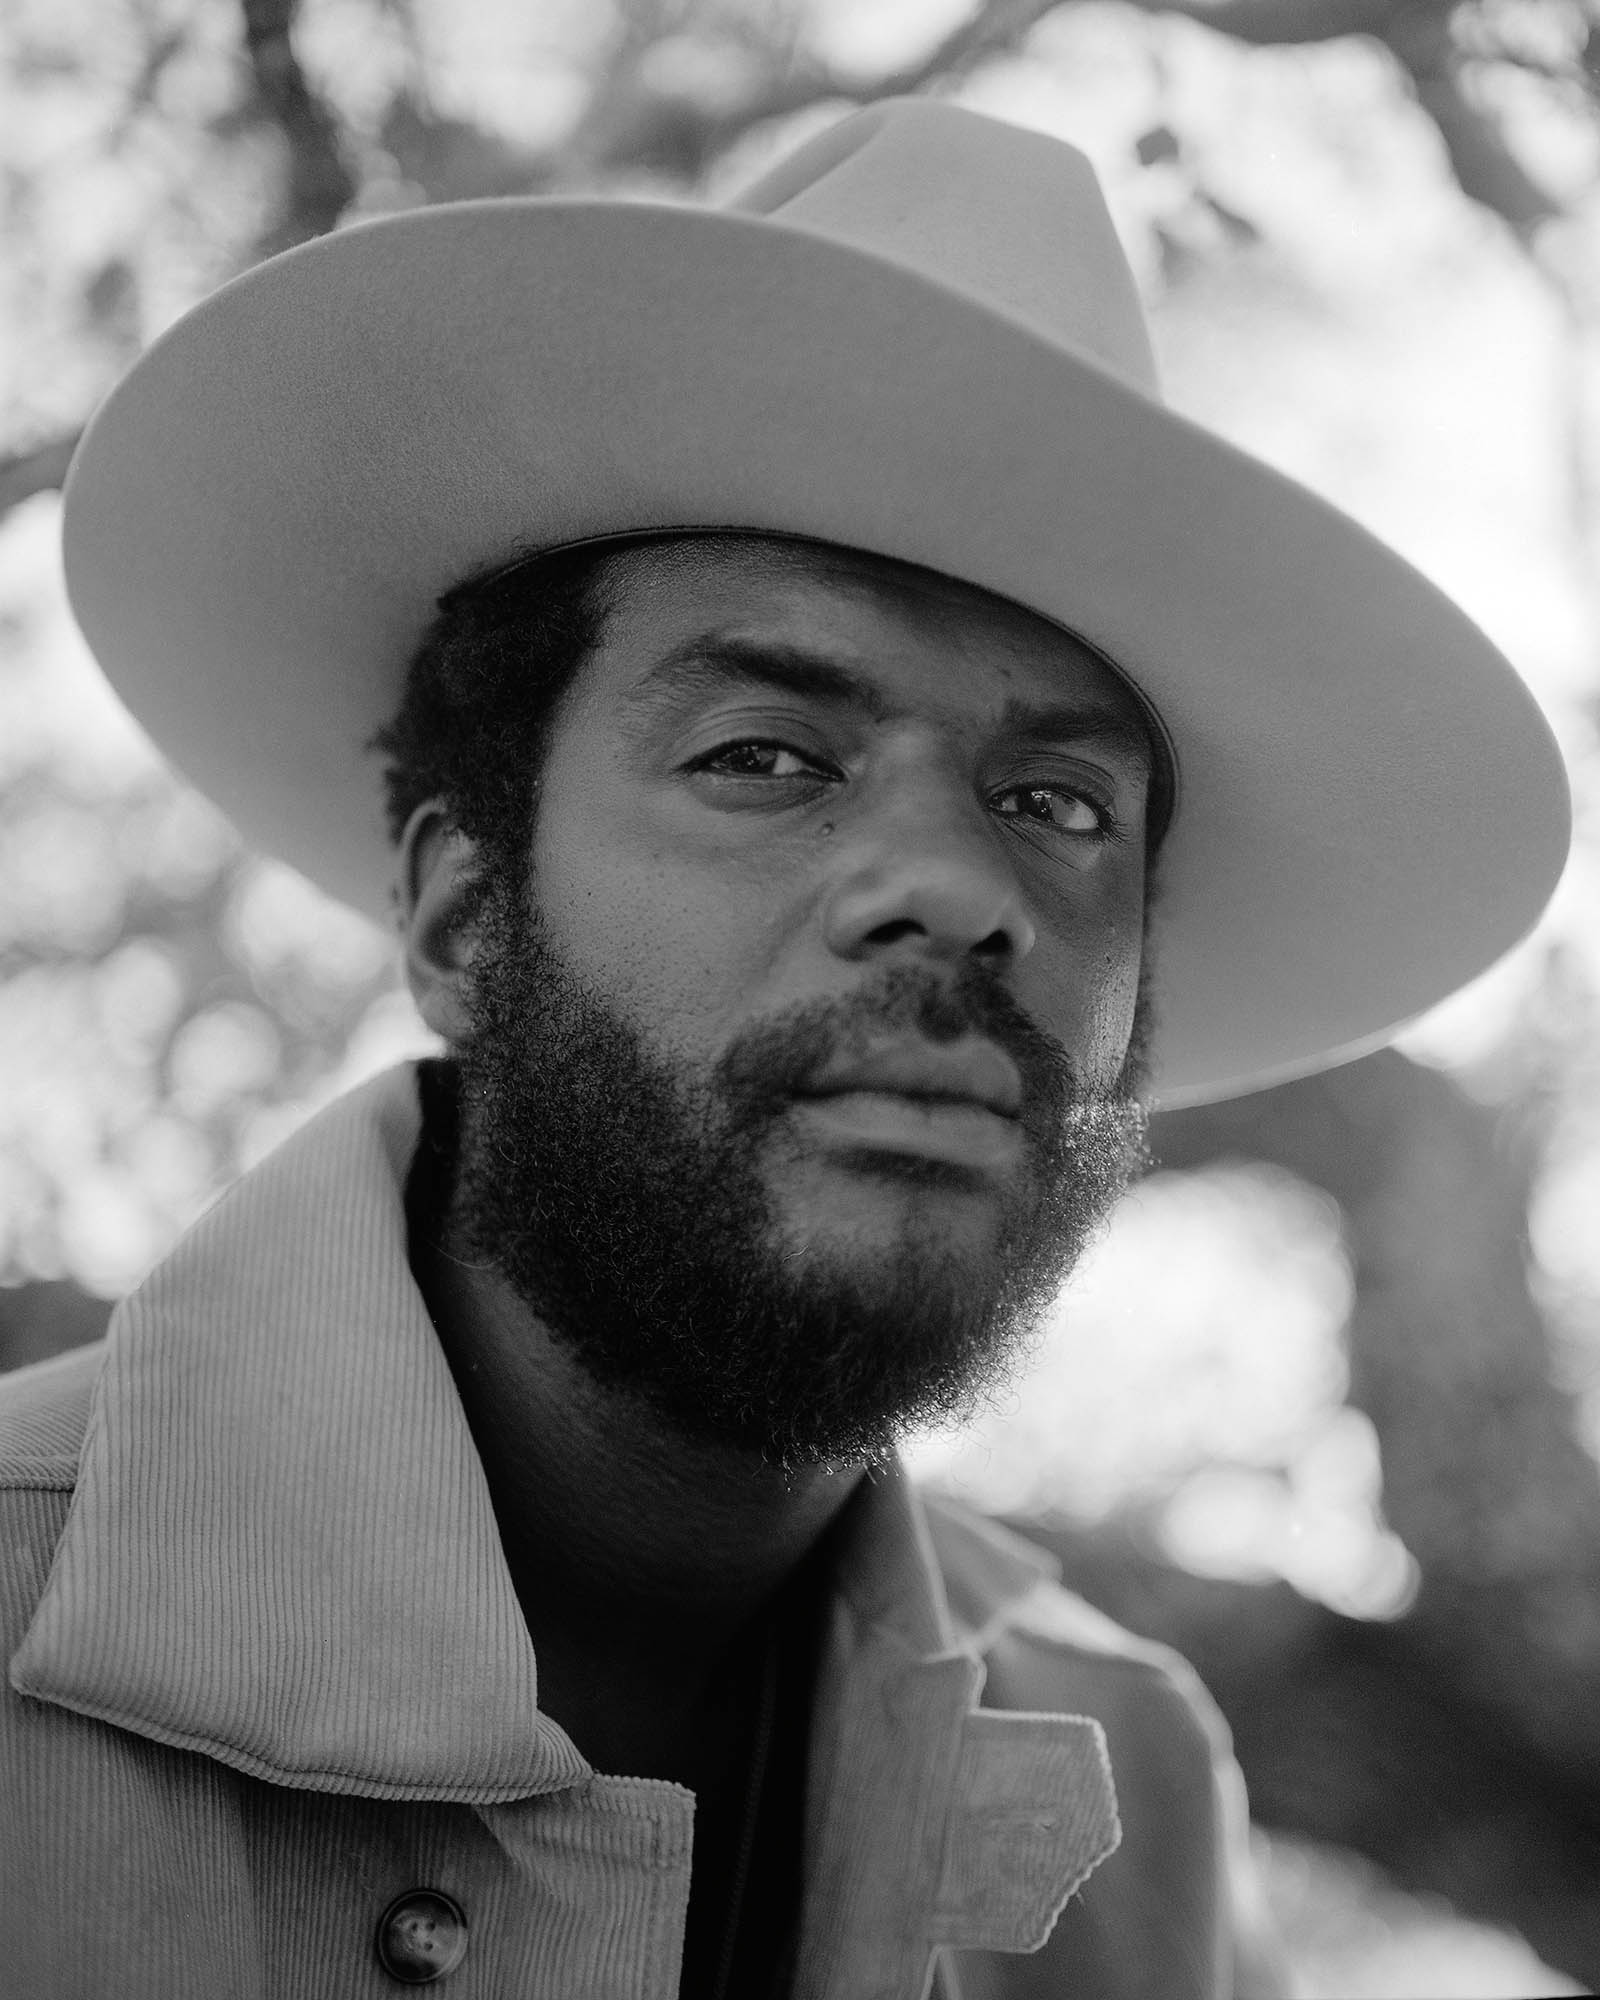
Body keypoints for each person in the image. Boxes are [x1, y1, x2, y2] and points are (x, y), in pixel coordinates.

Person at [0, 97, 1567, 2000]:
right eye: (767, 756)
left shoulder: (1133, 1801)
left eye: (1060, 804)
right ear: (461, 914)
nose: (956, 888)